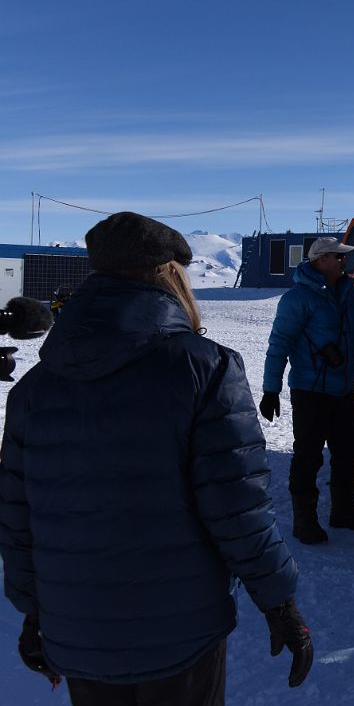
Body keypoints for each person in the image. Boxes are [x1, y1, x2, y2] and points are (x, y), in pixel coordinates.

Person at [0, 211, 312, 705]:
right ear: (172, 275)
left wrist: (34, 613)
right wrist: (279, 602)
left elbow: (17, 519)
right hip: (180, 635)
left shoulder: (33, 390)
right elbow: (237, 509)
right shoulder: (205, 369)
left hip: (77, 629)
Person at [260, 236, 354, 544]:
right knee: (308, 455)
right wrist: (271, 390)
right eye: (338, 256)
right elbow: (278, 345)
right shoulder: (297, 299)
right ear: (321, 260)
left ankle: (344, 511)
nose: (343, 261)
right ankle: (304, 521)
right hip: (310, 392)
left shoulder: (351, 295)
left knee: (348, 451)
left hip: (343, 390)